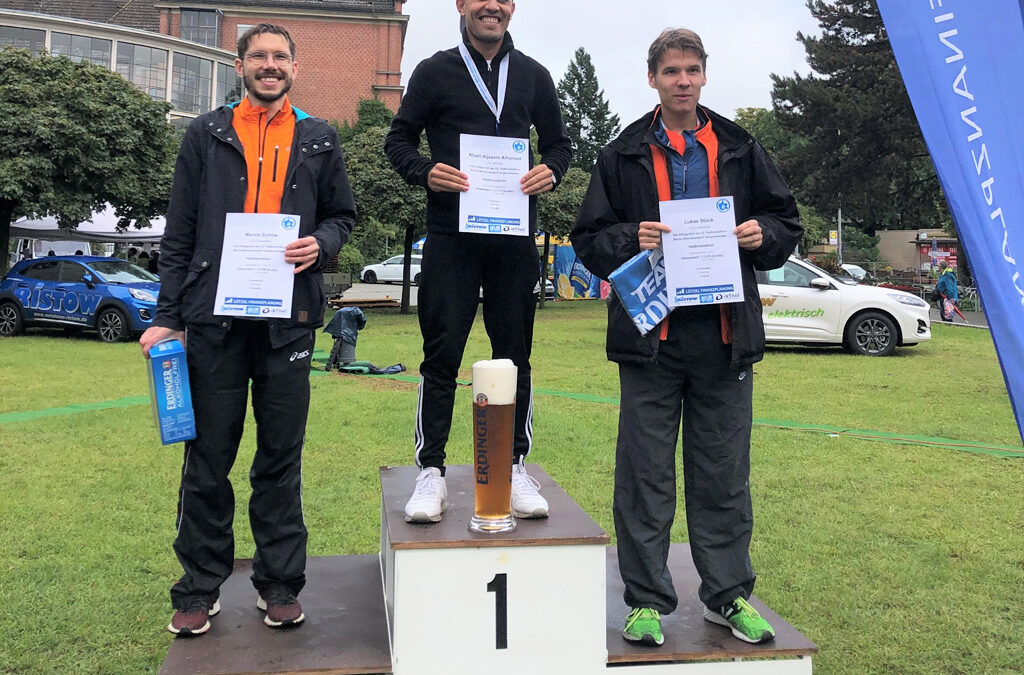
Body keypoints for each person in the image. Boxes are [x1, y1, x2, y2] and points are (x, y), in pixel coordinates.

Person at [571, 28, 802, 647]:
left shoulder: (740, 145)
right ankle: (646, 601)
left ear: (704, 76)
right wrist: (631, 239)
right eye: (671, 71)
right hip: (653, 337)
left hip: (724, 336)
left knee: (723, 474)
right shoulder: (620, 153)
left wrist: (762, 238)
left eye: (692, 70)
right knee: (644, 475)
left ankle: (727, 596)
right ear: (653, 78)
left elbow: (786, 222)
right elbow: (588, 240)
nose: (682, 81)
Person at [139, 23, 355, 637]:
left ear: (295, 66)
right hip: (214, 321)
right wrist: (165, 316)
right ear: (239, 66)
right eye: (258, 56)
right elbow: (179, 234)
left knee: (280, 459)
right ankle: (198, 588)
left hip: (288, 323)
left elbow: (342, 214)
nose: (270, 65)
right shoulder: (204, 135)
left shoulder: (318, 138)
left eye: (279, 56)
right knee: (207, 458)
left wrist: (324, 243)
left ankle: (279, 583)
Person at [385, 0, 571, 523]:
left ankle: (513, 467)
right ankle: (431, 472)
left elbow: (560, 145)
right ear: (462, 5)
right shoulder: (434, 70)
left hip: (513, 238)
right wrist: (425, 171)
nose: (493, 6)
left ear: (511, 7)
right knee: (440, 355)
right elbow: (397, 140)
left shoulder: (533, 75)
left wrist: (550, 170)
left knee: (515, 357)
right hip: (451, 236)